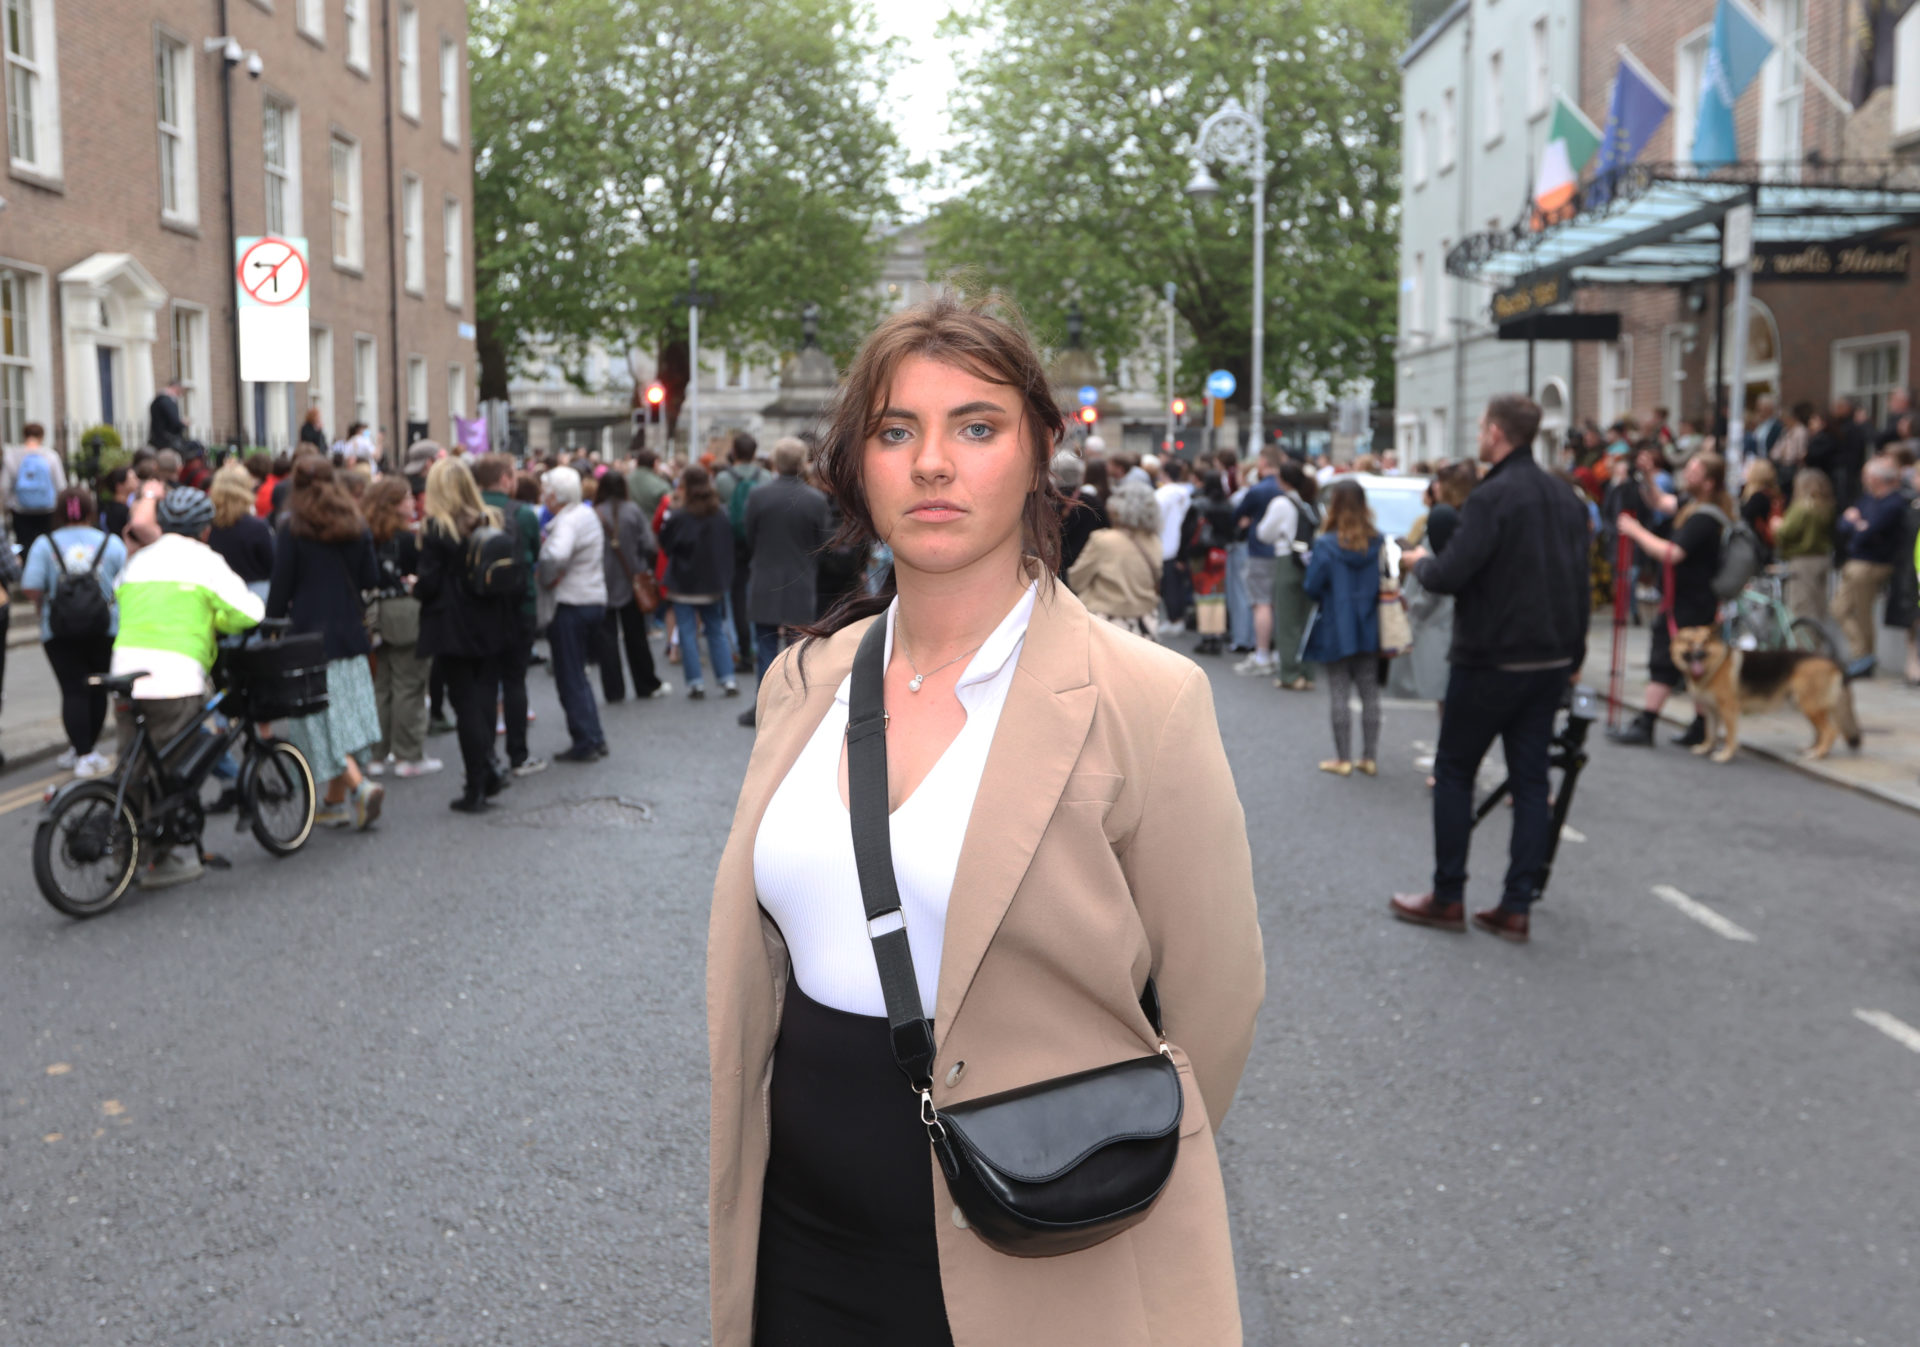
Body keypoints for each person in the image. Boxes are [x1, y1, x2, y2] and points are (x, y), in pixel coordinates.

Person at [707, 293, 1262, 1347]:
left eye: (976, 426)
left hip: (1042, 1247)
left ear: (1040, 449)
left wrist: (1093, 1167)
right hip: (800, 1245)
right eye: (895, 430)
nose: (931, 464)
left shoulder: (1144, 698)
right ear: (856, 465)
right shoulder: (805, 682)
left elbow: (1215, 1006)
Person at [1390, 396, 1589, 943]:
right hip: (1549, 658)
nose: (1479, 435)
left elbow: (1452, 572)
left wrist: (1416, 564)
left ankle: (1447, 895)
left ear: (1497, 433)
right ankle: (1515, 904)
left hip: (1490, 657)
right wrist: (1576, 655)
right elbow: (1580, 582)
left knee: (1454, 772)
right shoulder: (1565, 496)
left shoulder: (1491, 497)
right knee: (1530, 783)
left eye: (1481, 427)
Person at [109, 487, 265, 887]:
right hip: (174, 678)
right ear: (205, 529)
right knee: (173, 772)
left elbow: (119, 598)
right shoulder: (205, 561)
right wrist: (216, 620)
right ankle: (164, 858)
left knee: (131, 768)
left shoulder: (138, 560)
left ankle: (124, 854)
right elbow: (247, 612)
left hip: (126, 673)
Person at [265, 456, 385, 831]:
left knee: (320, 722)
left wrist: (269, 626)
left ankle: (359, 787)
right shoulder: (355, 524)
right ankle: (333, 803)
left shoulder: (292, 528)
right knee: (344, 717)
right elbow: (371, 576)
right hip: (350, 634)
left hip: (308, 636)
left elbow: (281, 587)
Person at [1609, 452, 1733, 747]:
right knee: (1693, 662)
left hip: (1687, 602)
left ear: (1708, 482)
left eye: (1693, 470)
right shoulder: (1694, 505)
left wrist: (1636, 531)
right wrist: (1648, 478)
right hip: (1690, 599)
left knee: (1666, 657)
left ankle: (1647, 722)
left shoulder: (1704, 518)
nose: (1686, 474)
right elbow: (1661, 502)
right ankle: (1701, 727)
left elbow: (1672, 553)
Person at [416, 458, 513, 812]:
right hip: (489, 616)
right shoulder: (490, 519)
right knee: (485, 696)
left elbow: (428, 582)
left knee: (464, 703)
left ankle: (479, 779)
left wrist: (417, 586)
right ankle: (488, 769)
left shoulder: (437, 528)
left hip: (453, 623)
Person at [20, 487, 129, 778]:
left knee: (73, 690)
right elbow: (127, 582)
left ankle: (81, 751)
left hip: (58, 631)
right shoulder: (111, 542)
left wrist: (48, 597)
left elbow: (31, 586)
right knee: (97, 689)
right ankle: (89, 749)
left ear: (58, 511)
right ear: (91, 510)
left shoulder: (45, 544)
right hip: (104, 627)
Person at [739, 437, 831, 726]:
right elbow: (822, 542)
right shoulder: (815, 499)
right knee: (797, 648)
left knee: (765, 645)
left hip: (765, 574)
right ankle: (794, 705)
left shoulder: (758, 496)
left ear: (775, 463)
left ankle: (765, 703)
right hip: (800, 577)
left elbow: (749, 536)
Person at [1301, 478, 1383, 777]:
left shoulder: (1325, 544)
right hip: (1370, 622)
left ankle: (1343, 758)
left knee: (1339, 691)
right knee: (1369, 690)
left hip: (1337, 622)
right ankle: (1369, 757)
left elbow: (1312, 586)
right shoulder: (1377, 540)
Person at [473, 453, 546, 776]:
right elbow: (536, 554)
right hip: (520, 606)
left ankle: (487, 756)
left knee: (485, 683)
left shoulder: (470, 512)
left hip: (482, 607)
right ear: (505, 478)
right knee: (515, 680)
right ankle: (518, 755)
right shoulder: (524, 514)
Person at [362, 477, 440, 779]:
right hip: (406, 611)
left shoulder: (368, 535)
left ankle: (377, 755)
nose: (413, 502)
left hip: (375, 612)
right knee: (410, 684)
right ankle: (408, 755)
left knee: (381, 685)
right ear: (395, 504)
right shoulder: (410, 539)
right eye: (407, 498)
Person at [537, 465, 611, 759]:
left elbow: (556, 554)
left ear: (555, 495)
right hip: (592, 598)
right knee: (578, 673)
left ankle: (585, 741)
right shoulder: (585, 514)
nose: (543, 496)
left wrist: (545, 575)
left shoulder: (566, 521)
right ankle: (594, 736)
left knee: (570, 676)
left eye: (546, 492)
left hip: (572, 602)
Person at [659, 463, 737, 700]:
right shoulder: (720, 513)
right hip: (712, 580)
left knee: (687, 630)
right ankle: (727, 679)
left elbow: (666, 544)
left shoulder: (680, 515)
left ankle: (695, 682)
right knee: (715, 629)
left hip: (684, 580)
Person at [592, 470, 666, 704]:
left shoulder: (594, 513)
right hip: (631, 580)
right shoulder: (632, 511)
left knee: (606, 641)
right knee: (636, 637)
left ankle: (614, 691)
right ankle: (645, 684)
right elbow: (649, 545)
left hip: (601, 582)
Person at [1066, 479, 1162, 637]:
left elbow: (1076, 580)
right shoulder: (1154, 541)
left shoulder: (1103, 540)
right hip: (1144, 623)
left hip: (1107, 622)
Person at [1833, 455, 1906, 665]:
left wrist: (1857, 524)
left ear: (1876, 478)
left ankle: (1864, 657)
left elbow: (1869, 532)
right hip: (1855, 561)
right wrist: (1858, 524)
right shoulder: (1868, 498)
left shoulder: (1893, 503)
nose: (1863, 479)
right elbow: (1844, 525)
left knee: (1862, 611)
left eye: (1867, 475)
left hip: (1871, 564)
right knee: (1839, 608)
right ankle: (1862, 653)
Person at [1260, 461, 1321, 691]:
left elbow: (1264, 533)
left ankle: (1290, 674)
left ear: (1282, 480)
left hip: (1288, 560)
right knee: (1307, 619)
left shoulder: (1282, 502)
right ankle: (1308, 673)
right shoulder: (1311, 501)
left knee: (1287, 621)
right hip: (1311, 562)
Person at [714, 431, 770, 660]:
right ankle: (761, 642)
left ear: (734, 452)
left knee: (736, 597)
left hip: (731, 544)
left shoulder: (722, 480)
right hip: (761, 543)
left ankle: (743, 647)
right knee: (759, 592)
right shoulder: (766, 477)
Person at [1230, 451, 1283, 675]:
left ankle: (1262, 653)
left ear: (1263, 463)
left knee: (1261, 602)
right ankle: (1280, 652)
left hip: (1261, 551)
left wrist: (1247, 521)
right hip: (1284, 552)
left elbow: (1238, 514)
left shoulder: (1258, 490)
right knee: (1279, 603)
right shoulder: (1285, 489)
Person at [1775, 463, 1835, 624]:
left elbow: (1785, 532)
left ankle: (1805, 646)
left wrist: (1776, 525)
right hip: (1822, 558)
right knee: (1819, 605)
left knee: (1802, 606)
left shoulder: (1802, 508)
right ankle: (1819, 643)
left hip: (1803, 560)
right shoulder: (1826, 507)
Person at [206, 463, 275, 600]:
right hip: (254, 596)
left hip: (218, 595)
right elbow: (272, 565)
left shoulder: (207, 528)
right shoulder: (258, 527)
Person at [4, 422, 68, 551]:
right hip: (47, 510)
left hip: (20, 509)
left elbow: (4, 486)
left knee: (24, 546)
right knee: (48, 546)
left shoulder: (12, 456)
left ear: (24, 435)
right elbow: (61, 485)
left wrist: (8, 507)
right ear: (42, 437)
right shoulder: (50, 456)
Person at [1050, 448, 1108, 576]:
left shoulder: (1048, 502)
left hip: (1056, 567)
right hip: (1087, 568)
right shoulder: (1091, 501)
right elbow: (1106, 528)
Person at [1153, 457, 1195, 632]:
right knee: (1178, 583)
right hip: (1181, 543)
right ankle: (1178, 618)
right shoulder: (1186, 492)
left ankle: (1174, 619)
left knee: (1168, 585)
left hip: (1164, 543)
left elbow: (1155, 517)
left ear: (1165, 474)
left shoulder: (1163, 494)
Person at [625, 442, 673, 521]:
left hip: (628, 526)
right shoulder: (662, 485)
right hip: (652, 528)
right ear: (654, 464)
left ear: (637, 462)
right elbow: (670, 508)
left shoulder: (624, 481)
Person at [147, 382, 186, 451]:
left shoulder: (156, 401)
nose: (178, 396)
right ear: (175, 389)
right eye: (178, 393)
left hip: (156, 440)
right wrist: (183, 424)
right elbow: (175, 422)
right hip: (168, 443)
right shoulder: (168, 402)